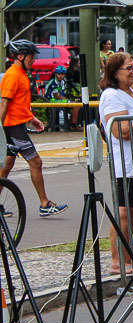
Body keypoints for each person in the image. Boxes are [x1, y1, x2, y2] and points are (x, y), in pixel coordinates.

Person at [98, 52, 133, 273]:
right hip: (126, 163)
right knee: (124, 211)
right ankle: (118, 261)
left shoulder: (131, 93)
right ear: (115, 72)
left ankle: (127, 255)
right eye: (128, 68)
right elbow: (120, 130)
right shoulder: (112, 95)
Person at [0, 40, 68, 218]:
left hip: (16, 124)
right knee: (36, 162)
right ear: (20, 56)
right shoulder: (13, 75)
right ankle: (45, 204)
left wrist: (32, 118)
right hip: (13, 127)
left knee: (7, 165)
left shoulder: (21, 74)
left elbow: (18, 104)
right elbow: (4, 103)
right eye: (31, 56)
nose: (34, 60)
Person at [43, 65, 74, 132]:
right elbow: (56, 96)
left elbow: (62, 93)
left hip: (57, 99)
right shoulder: (54, 82)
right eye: (59, 74)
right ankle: (72, 124)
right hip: (51, 100)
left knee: (72, 104)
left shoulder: (63, 82)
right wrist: (66, 100)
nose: (61, 76)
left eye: (62, 74)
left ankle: (69, 123)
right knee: (73, 104)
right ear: (55, 74)